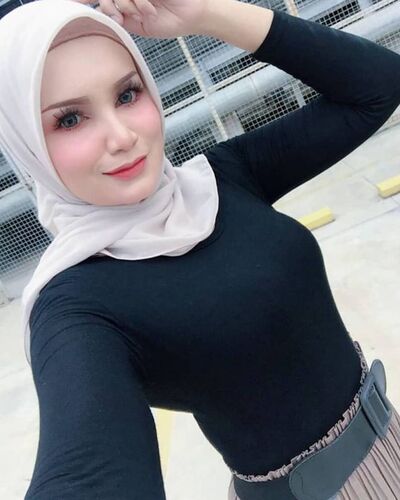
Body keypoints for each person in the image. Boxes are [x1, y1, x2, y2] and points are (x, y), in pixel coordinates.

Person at [0, 0, 399, 498]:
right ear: (26, 143)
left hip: (390, 439)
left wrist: (206, 13)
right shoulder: (73, 305)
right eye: (70, 120)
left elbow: (377, 85)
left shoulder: (220, 180)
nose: (123, 136)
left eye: (127, 94)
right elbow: (87, 471)